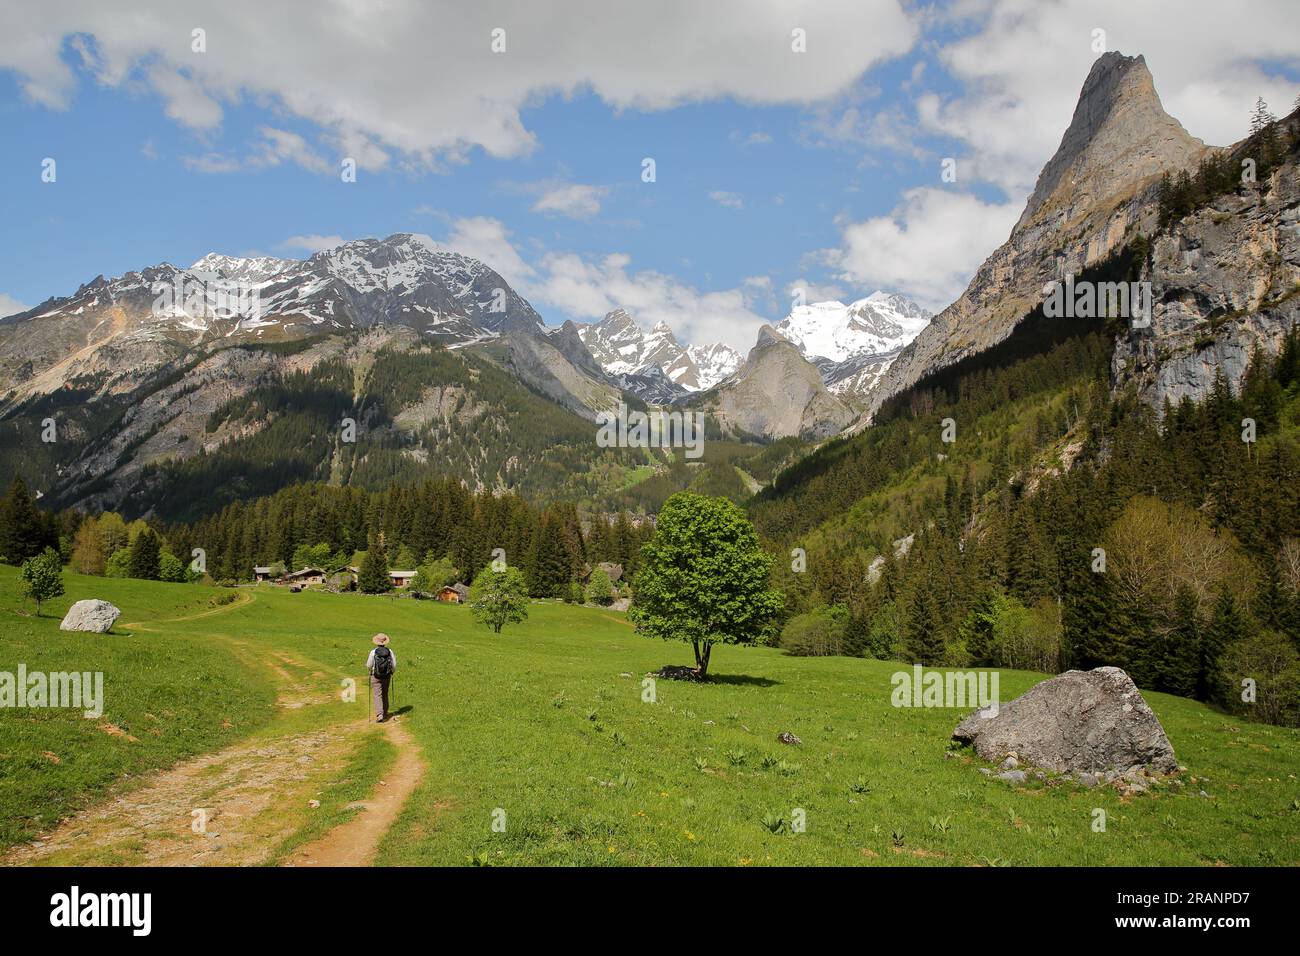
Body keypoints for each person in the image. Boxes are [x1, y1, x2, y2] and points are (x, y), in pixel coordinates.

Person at [365, 632, 396, 722]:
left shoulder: (373, 652)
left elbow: (369, 664)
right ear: (385, 642)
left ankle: (380, 715)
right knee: (385, 694)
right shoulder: (390, 651)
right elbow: (393, 664)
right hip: (387, 676)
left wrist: (370, 670)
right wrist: (392, 672)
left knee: (377, 694)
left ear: (376, 642)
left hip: (376, 675)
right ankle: (385, 713)